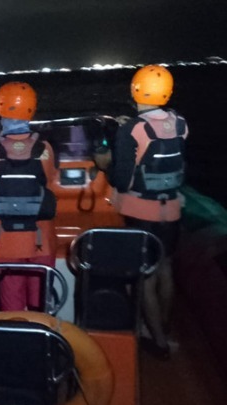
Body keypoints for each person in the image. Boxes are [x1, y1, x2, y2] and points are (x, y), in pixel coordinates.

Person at [103, 64, 188, 359]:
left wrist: (108, 161)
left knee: (145, 276)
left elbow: (122, 180)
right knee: (165, 267)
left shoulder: (130, 130)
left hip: (142, 214)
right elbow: (157, 134)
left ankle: (159, 343)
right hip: (172, 209)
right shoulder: (180, 123)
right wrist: (132, 126)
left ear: (135, 90)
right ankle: (163, 324)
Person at [0, 82, 59, 311]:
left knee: (12, 308)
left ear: (0, 108)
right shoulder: (45, 148)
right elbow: (51, 181)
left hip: (5, 243)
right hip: (41, 241)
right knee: (40, 306)